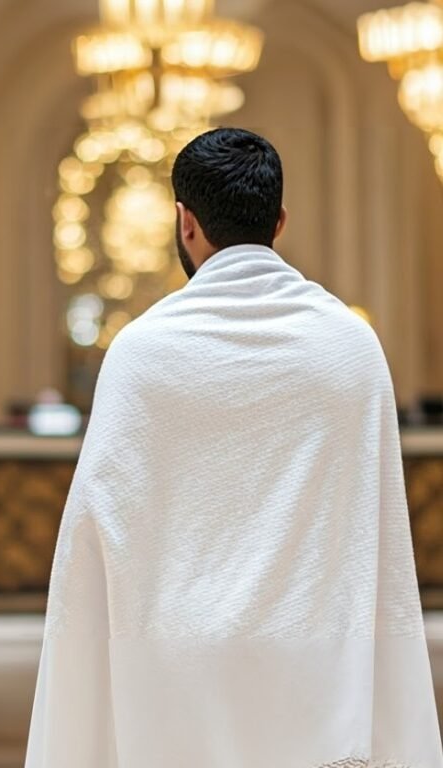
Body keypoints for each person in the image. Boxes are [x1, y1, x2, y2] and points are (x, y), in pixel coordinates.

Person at [24, 128, 443, 768]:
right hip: (317, 672)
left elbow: (91, 535)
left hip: (172, 677)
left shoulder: (140, 353)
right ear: (279, 221)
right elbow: (379, 535)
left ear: (184, 223)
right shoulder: (349, 347)